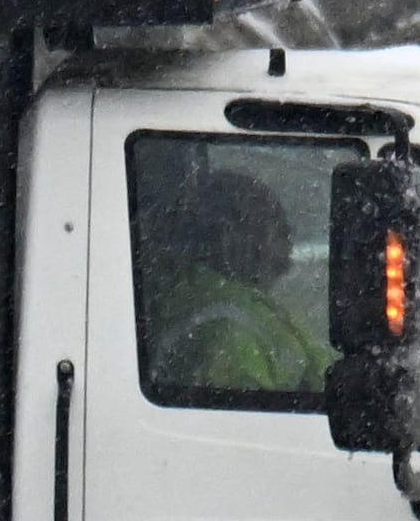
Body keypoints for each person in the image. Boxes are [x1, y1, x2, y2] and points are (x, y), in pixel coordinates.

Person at [143, 152, 334, 398]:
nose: (287, 250)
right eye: (280, 232)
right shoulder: (227, 325)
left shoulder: (230, 304)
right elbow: (253, 421)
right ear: (239, 239)